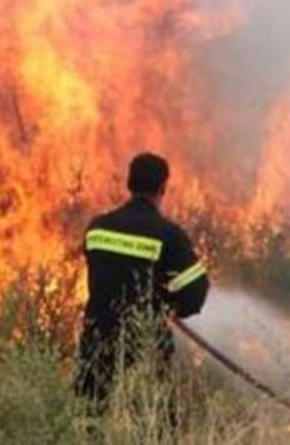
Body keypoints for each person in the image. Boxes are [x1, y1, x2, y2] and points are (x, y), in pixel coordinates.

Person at [74, 152, 209, 409]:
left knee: (90, 419)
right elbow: (196, 291)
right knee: (151, 423)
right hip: (144, 345)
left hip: (96, 341)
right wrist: (168, 305)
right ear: (162, 188)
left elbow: (104, 274)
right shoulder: (169, 235)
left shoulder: (97, 228)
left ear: (129, 183)